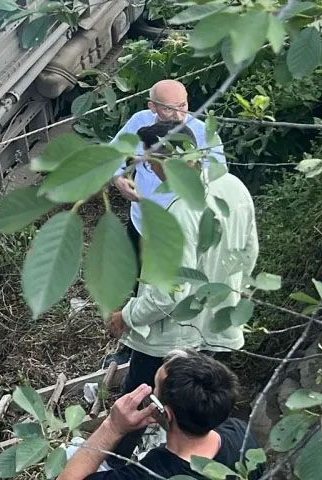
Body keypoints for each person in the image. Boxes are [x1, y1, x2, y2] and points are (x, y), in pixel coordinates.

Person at [107, 121, 258, 458]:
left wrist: (126, 316)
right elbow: (249, 254)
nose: (150, 170)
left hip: (169, 336)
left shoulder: (175, 213)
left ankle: (116, 465)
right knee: (198, 404)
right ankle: (202, 460)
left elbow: (167, 293)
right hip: (216, 323)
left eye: (150, 163)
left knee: (136, 401)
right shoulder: (234, 187)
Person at [59, 350, 258, 480]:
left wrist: (112, 426)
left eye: (154, 390)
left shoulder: (150, 473)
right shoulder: (242, 437)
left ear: (166, 414)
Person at [111, 79, 226, 240]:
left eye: (182, 106)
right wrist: (117, 178)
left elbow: (218, 174)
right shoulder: (139, 121)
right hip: (141, 220)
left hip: (181, 224)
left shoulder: (204, 133)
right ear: (152, 106)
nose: (178, 116)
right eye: (167, 109)